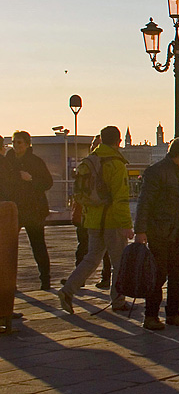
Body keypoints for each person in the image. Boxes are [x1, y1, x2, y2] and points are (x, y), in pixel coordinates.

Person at [56, 126, 133, 315]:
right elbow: (120, 198)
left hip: (92, 219)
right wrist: (126, 225)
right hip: (112, 220)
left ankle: (68, 290)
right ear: (118, 141)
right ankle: (118, 300)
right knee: (119, 262)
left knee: (91, 258)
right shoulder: (116, 164)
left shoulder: (91, 160)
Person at [134, 137, 179, 330]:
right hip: (159, 230)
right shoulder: (156, 172)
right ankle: (151, 315)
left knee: (178, 271)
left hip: (176, 229)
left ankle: (173, 312)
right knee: (158, 273)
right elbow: (144, 202)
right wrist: (140, 230)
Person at [7, 131, 53, 289]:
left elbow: (48, 182)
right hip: (14, 210)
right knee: (9, 246)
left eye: (19, 142)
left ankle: (45, 280)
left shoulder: (35, 161)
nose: (16, 145)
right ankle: (9, 282)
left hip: (34, 210)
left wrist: (31, 179)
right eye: (14, 142)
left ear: (27, 144)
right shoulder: (8, 161)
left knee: (38, 245)